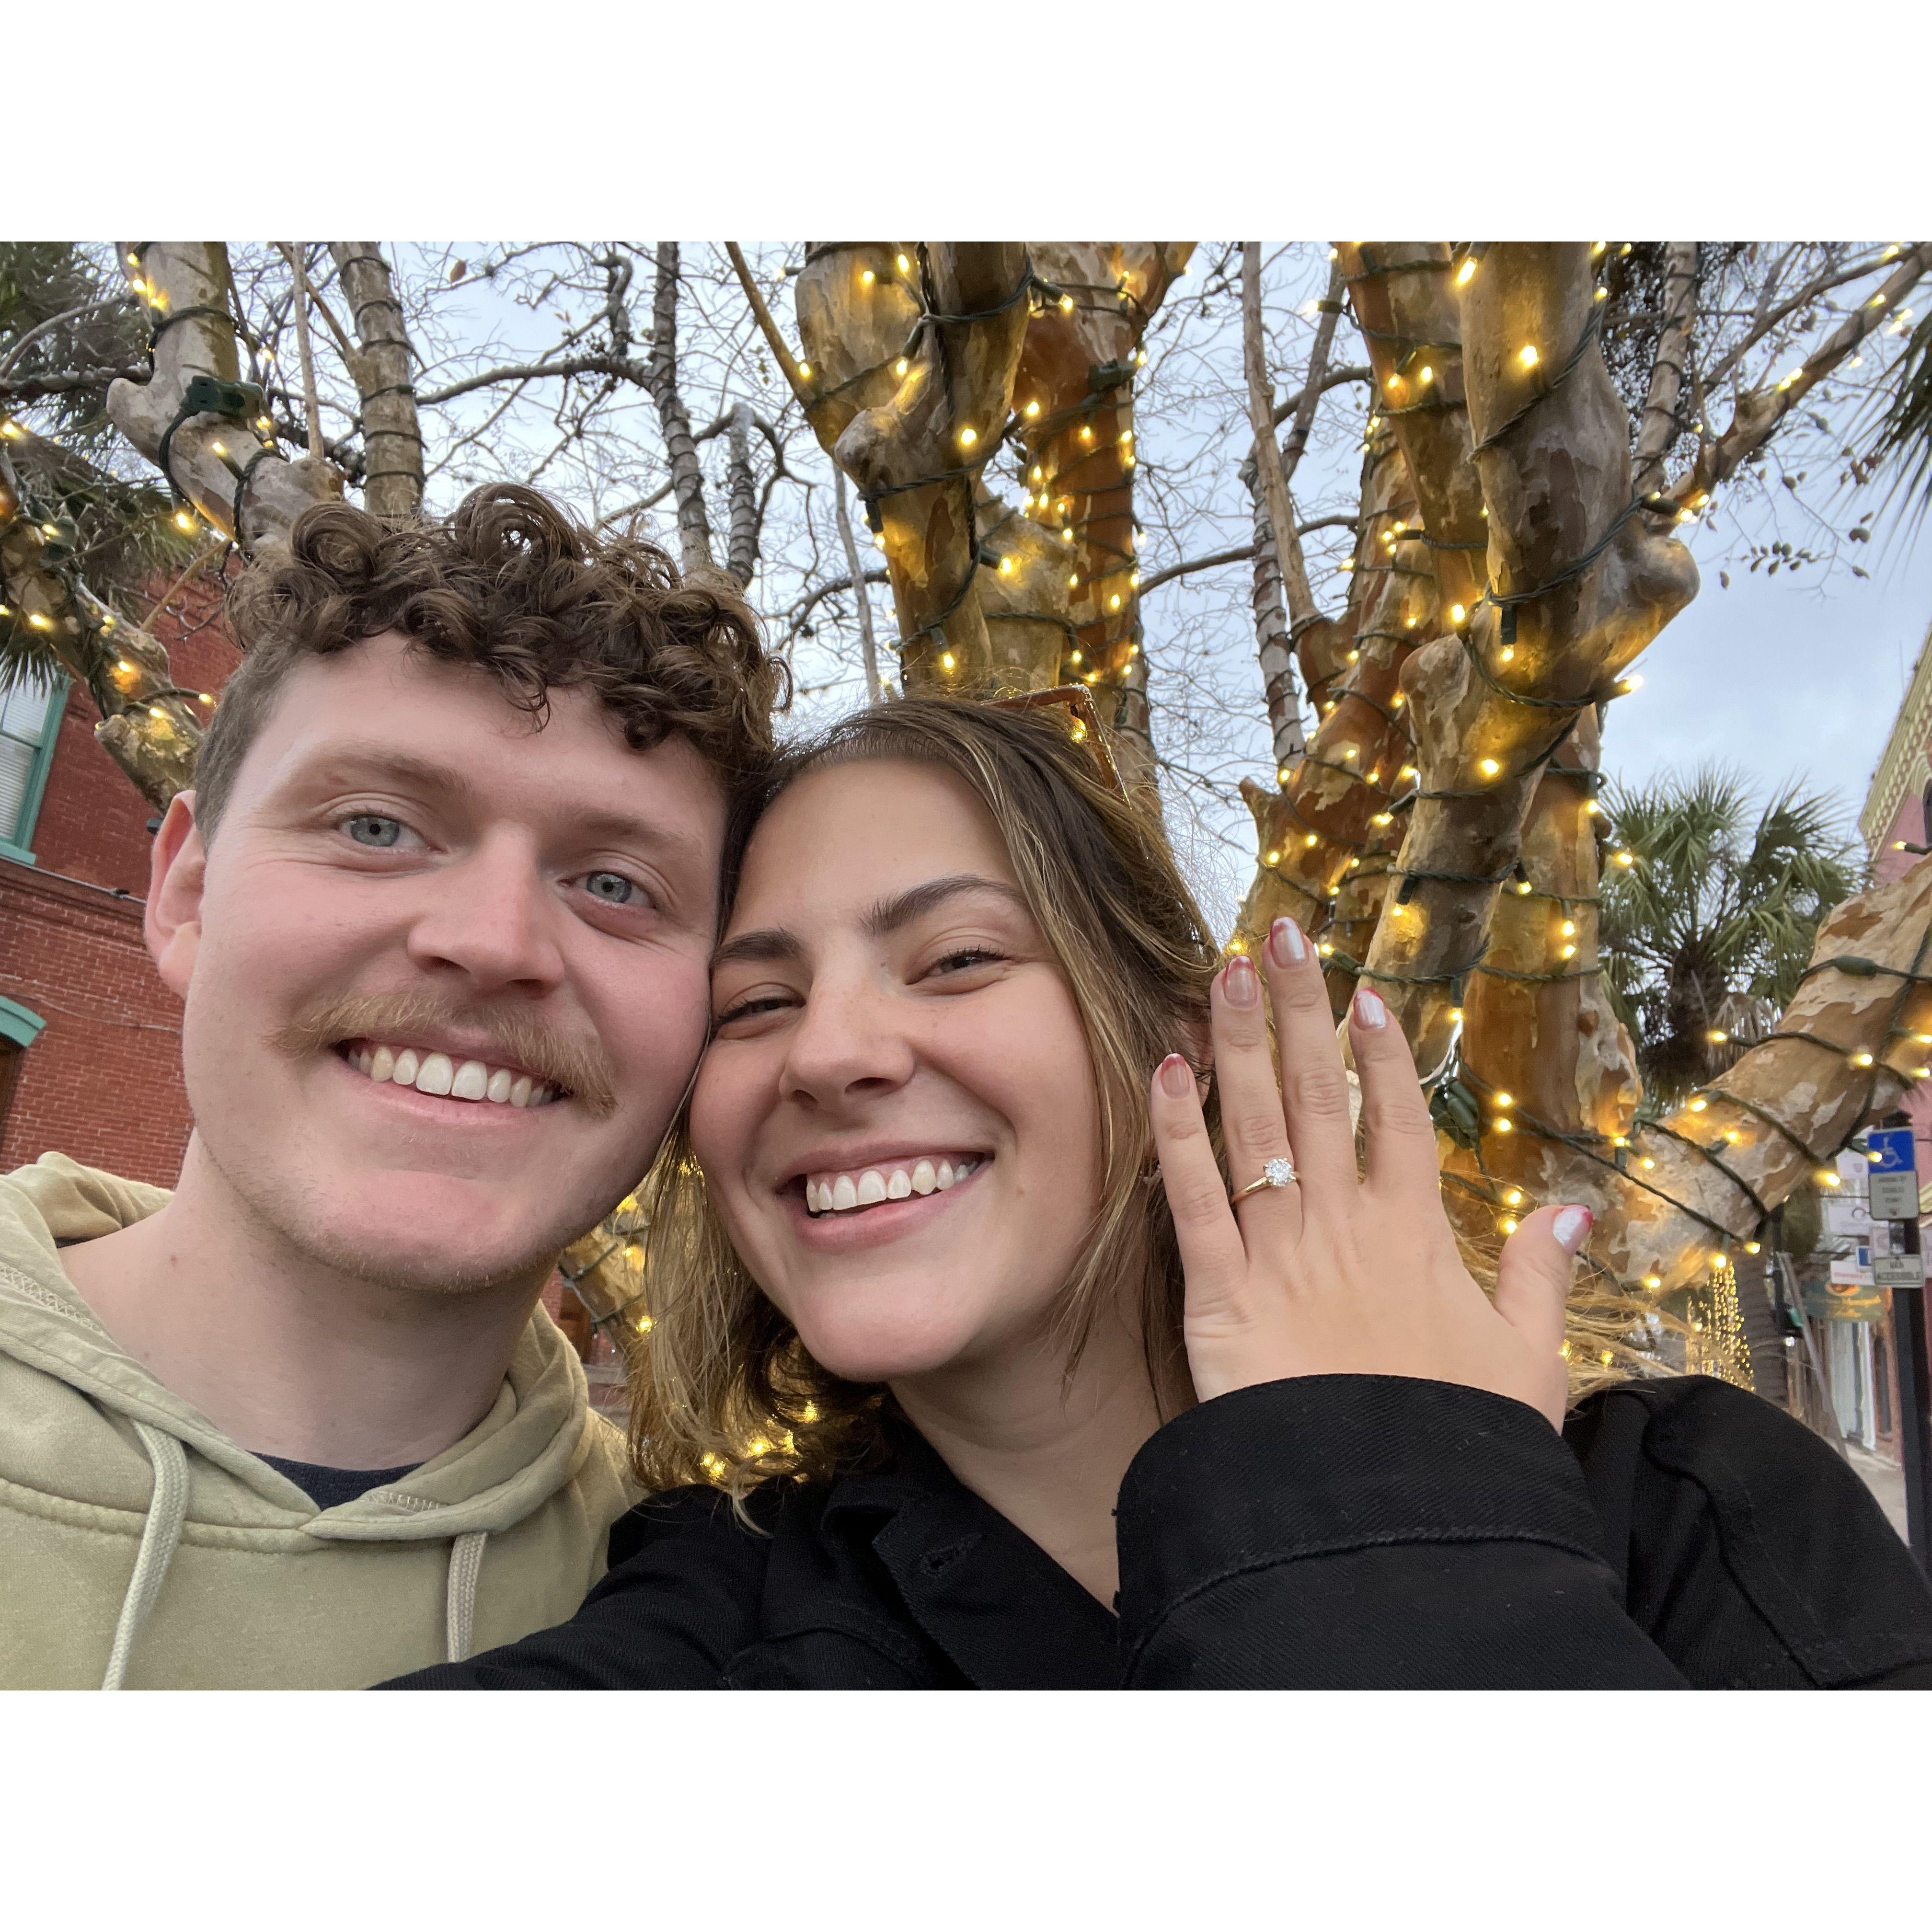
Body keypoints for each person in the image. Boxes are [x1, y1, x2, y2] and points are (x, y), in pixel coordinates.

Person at [391, 697, 1932, 1689]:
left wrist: (1396, 1492)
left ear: (1184, 1048)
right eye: (752, 1005)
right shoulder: (721, 1615)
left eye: (960, 960)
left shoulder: (1694, 1513)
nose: (834, 1054)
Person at [0, 483, 783, 1688]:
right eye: (375, 826)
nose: (494, 940)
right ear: (188, 894)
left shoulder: (731, 1633)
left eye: (617, 885)